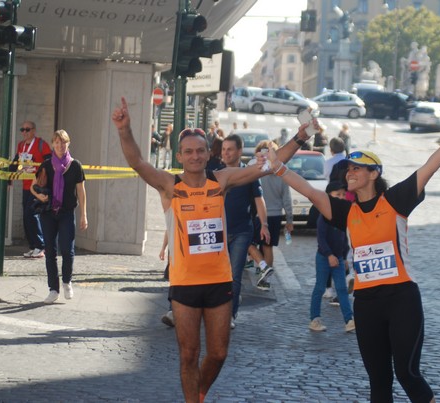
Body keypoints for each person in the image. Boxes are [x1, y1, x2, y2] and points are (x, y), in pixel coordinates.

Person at [111, 97, 312, 403]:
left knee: (218, 353)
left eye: (200, 150)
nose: (194, 156)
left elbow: (269, 166)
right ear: (180, 155)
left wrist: (299, 137)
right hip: (185, 283)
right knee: (189, 355)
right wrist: (125, 130)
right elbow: (138, 162)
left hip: (219, 280)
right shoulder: (170, 185)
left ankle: (198, 392)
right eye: (188, 151)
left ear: (208, 154)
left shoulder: (222, 181)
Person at [266, 112, 440, 403]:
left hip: (401, 298)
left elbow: (430, 166)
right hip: (366, 303)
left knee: (407, 372)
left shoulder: (396, 200)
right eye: (348, 169)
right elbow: (310, 192)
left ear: (374, 173)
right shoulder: (345, 212)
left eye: (357, 169)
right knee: (378, 381)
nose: (349, 173)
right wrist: (278, 168)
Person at [30, 129, 88, 304]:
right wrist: (39, 196)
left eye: (63, 142)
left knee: (68, 251)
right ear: (53, 144)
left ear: (68, 144)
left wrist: (84, 215)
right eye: (57, 142)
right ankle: (53, 289)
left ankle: (66, 282)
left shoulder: (75, 165)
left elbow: (81, 192)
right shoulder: (47, 165)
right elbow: (33, 186)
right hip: (48, 213)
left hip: (66, 213)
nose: (60, 146)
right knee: (50, 252)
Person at [221, 134, 271, 320]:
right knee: (219, 276)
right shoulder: (218, 173)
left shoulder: (249, 173)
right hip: (220, 231)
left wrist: (264, 225)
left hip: (242, 231)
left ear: (239, 151)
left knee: (234, 276)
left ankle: (230, 316)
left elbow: (259, 200)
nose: (226, 153)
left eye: (230, 149)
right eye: (223, 149)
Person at [309, 180, 354, 333]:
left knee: (342, 288)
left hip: (339, 258)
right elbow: (321, 239)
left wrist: (344, 257)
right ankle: (314, 319)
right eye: (337, 194)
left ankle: (349, 320)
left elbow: (345, 239)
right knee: (320, 287)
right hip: (323, 257)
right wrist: (329, 255)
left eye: (343, 194)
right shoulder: (324, 217)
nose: (341, 197)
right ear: (329, 196)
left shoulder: (345, 216)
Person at [251, 140, 293, 290]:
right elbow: (286, 198)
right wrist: (289, 219)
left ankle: (262, 269)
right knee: (268, 247)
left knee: (251, 243)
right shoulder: (280, 170)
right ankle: (265, 277)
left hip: (258, 214)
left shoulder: (256, 169)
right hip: (275, 215)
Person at [12, 120, 52, 259]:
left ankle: (41, 246)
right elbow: (15, 162)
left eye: (27, 129)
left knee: (33, 214)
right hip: (25, 185)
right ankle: (33, 246)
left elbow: (50, 161)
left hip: (37, 186)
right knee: (26, 216)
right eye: (22, 129)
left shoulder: (42, 144)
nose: (24, 132)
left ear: (34, 131)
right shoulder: (21, 145)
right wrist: (8, 177)